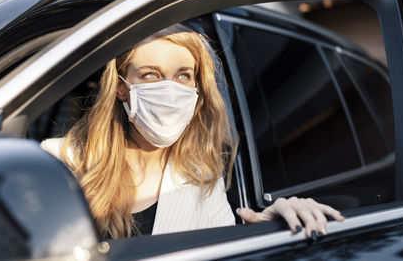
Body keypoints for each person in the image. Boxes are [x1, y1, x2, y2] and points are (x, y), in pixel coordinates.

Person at [41, 24, 345, 240]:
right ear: (122, 87)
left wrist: (265, 229)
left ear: (197, 88)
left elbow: (225, 244)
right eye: (151, 75)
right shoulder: (58, 162)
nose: (170, 90)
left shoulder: (203, 181)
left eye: (184, 76)